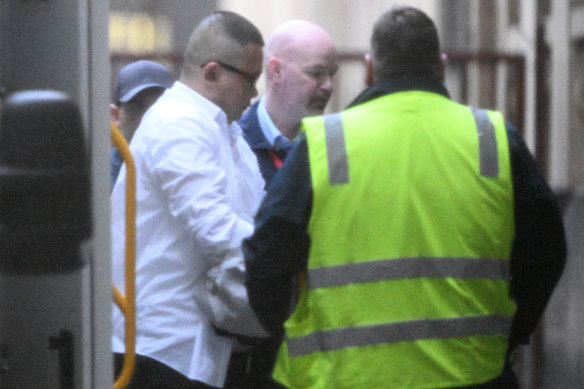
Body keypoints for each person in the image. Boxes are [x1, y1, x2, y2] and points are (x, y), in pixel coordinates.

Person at [243, 5, 566, 389]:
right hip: (472, 374)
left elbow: (266, 258)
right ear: (441, 66)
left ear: (368, 69)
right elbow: (547, 250)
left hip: (340, 377)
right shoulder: (492, 139)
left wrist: (288, 333)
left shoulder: (323, 144)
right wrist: (510, 334)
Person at [111, 11, 268, 389]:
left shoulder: (228, 135)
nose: (255, 93)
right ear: (212, 73)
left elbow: (258, 216)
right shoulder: (177, 124)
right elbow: (214, 227)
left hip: (196, 349)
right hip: (158, 350)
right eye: (250, 79)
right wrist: (285, 264)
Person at [239, 20, 338, 185]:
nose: (328, 86)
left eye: (332, 75)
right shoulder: (237, 144)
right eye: (316, 73)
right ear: (276, 71)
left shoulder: (335, 145)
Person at [110, 60, 174, 187]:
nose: (147, 119)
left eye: (158, 108)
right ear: (116, 115)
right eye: (136, 108)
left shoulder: (189, 169)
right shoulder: (100, 176)